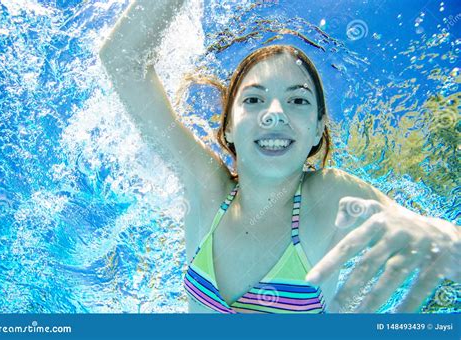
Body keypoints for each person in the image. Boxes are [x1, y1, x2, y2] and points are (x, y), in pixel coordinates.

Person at [99, 0, 460, 313]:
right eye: (254, 99)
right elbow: (122, 62)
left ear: (319, 130)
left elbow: (419, 228)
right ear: (227, 128)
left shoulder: (327, 197)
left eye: (298, 100)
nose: (275, 114)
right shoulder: (206, 190)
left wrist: (439, 236)